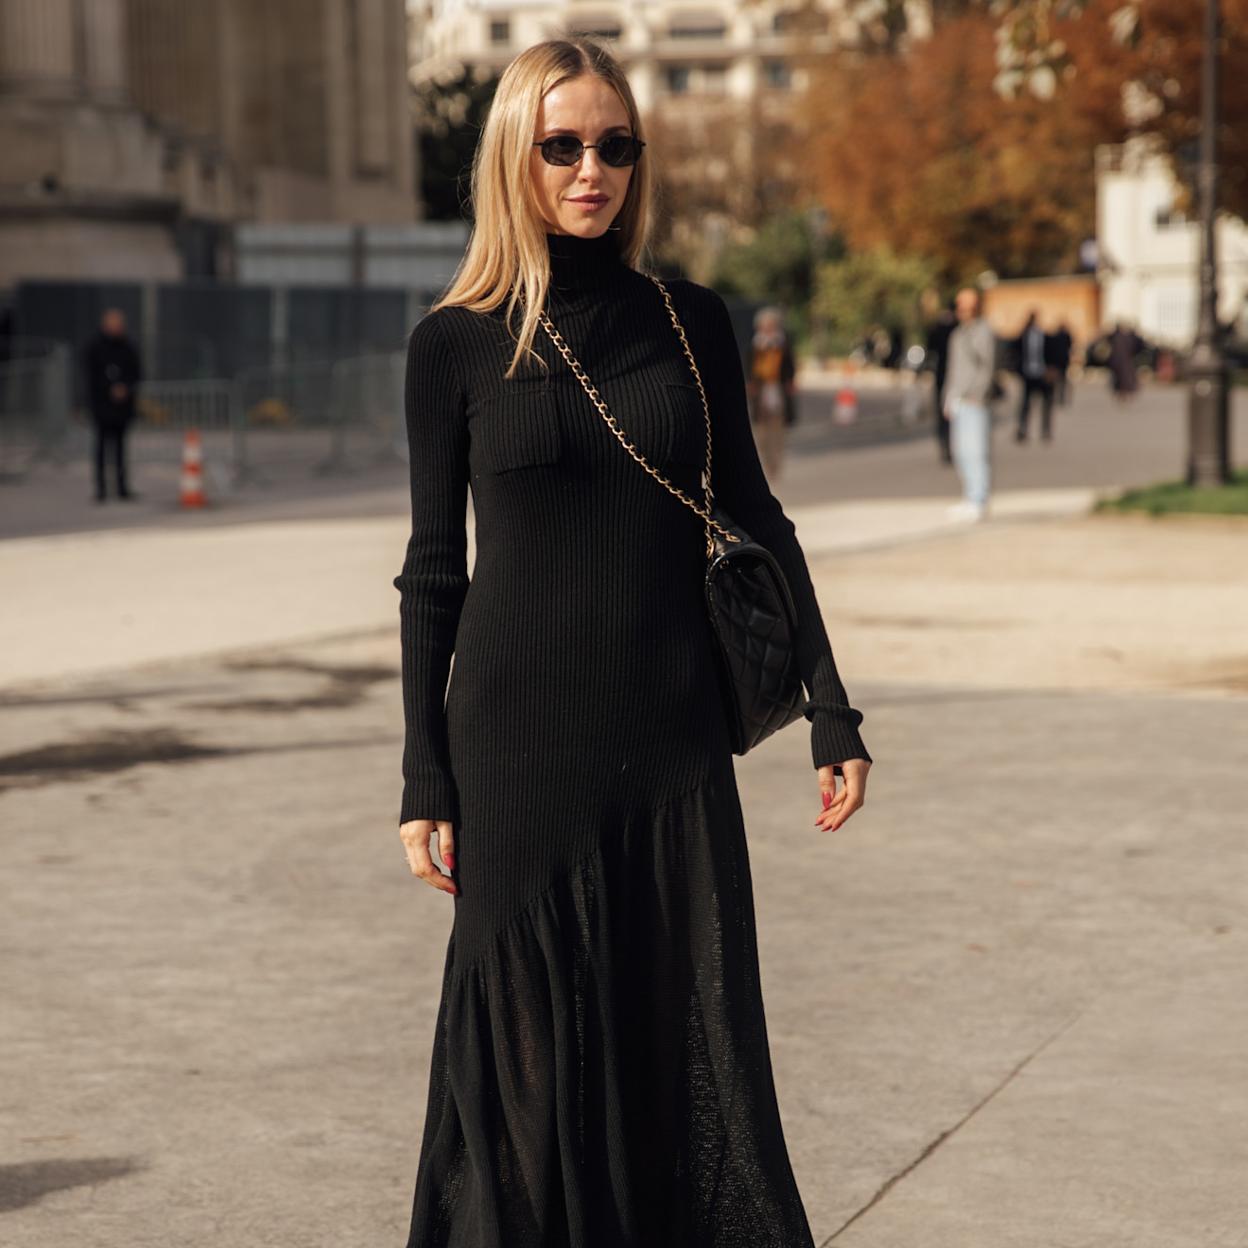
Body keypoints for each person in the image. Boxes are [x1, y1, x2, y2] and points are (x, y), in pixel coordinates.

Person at [392, 36, 872, 1248]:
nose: (590, 169)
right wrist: (421, 774)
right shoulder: (455, 340)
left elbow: (754, 517)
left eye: (614, 145)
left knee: (675, 1031)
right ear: (515, 154)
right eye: (562, 146)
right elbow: (433, 573)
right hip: (516, 750)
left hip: (669, 739)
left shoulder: (690, 321)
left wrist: (830, 705)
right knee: (527, 1062)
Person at [942, 286, 997, 522]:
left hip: (975, 400)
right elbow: (953, 371)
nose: (963, 310)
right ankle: (969, 496)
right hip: (958, 400)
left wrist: (979, 393)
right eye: (960, 305)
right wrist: (948, 397)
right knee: (961, 452)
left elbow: (987, 366)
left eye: (968, 305)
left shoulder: (982, 332)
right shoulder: (957, 334)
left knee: (976, 452)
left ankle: (978, 499)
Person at [82, 307, 142, 501]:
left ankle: (122, 488)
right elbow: (91, 376)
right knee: (101, 448)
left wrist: (125, 387)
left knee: (120, 449)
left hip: (122, 408)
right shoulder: (95, 347)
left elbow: (136, 372)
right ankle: (101, 489)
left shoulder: (128, 347)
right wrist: (109, 388)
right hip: (102, 406)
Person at [745, 305, 796, 481]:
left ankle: (776, 466)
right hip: (761, 393)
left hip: (778, 391)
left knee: (778, 431)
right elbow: (749, 369)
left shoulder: (783, 344)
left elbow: (790, 367)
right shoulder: (754, 345)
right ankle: (766, 465)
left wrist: (790, 382)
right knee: (762, 433)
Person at [1013, 308, 1055, 442]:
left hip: (1042, 373)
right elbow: (1015, 354)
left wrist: (1050, 369)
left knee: (1046, 404)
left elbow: (1051, 353)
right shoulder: (1023, 336)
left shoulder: (1043, 335)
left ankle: (1046, 431)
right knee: (1025, 405)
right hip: (1028, 374)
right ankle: (1022, 430)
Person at [924, 298, 957, 465]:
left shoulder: (938, 327)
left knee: (944, 413)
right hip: (953, 377)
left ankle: (945, 446)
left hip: (943, 376)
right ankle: (951, 447)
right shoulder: (960, 328)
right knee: (954, 414)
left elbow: (930, 350)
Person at [1107, 320, 1144, 400]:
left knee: (1126, 377)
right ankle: (1122, 392)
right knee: (1122, 378)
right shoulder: (1117, 336)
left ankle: (1126, 392)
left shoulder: (1126, 336)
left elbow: (1138, 346)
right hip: (1120, 361)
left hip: (1124, 361)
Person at [1050, 320, 1073, 406]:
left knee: (1059, 382)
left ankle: (1059, 398)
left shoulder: (1058, 336)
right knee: (1062, 382)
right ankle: (1061, 398)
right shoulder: (1065, 336)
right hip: (1062, 362)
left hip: (1059, 362)